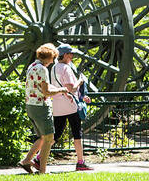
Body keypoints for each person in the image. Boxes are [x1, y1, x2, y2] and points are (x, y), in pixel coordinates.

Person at [38, 43, 93, 171]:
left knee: (55, 135)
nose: (72, 56)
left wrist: (81, 97)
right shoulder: (66, 68)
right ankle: (80, 162)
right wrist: (80, 80)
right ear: (65, 55)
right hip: (70, 106)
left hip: (58, 105)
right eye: (70, 54)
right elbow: (71, 88)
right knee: (77, 134)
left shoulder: (53, 68)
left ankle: (39, 157)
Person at [18, 43, 68, 174]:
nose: (53, 61)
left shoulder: (33, 66)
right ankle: (43, 171)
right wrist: (60, 91)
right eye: (53, 58)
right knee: (49, 138)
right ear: (48, 57)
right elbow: (46, 92)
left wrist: (59, 89)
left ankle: (26, 161)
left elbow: (44, 86)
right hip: (41, 106)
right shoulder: (43, 69)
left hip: (31, 106)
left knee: (41, 137)